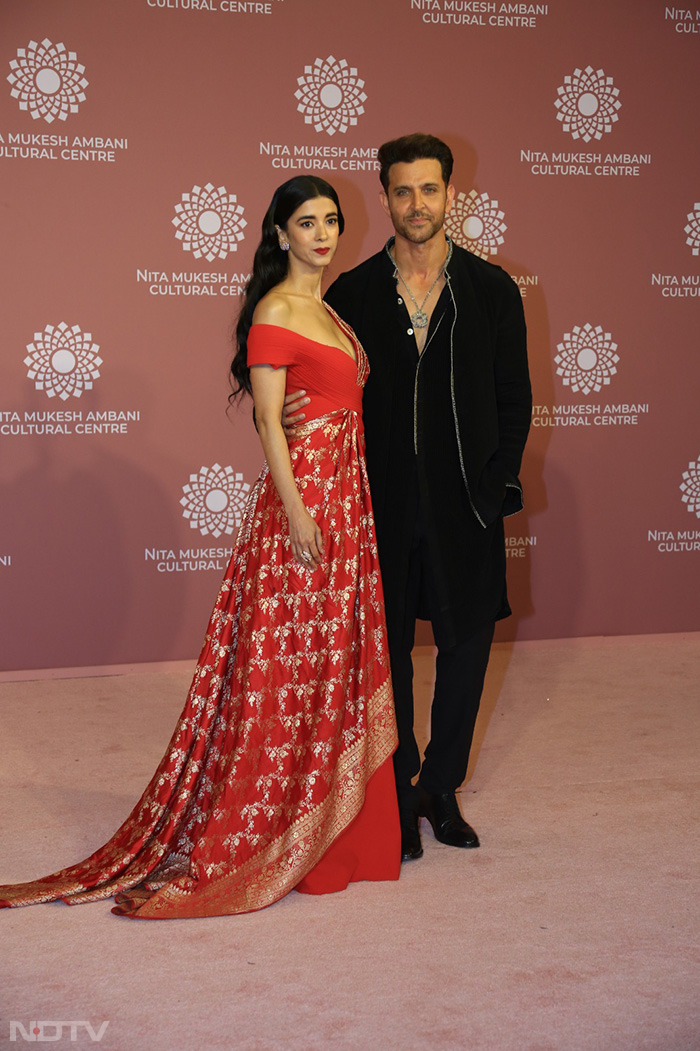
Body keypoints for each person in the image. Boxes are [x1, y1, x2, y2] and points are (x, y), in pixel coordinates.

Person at [0, 176, 400, 918]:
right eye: (306, 221)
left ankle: (332, 830)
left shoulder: (329, 309)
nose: (322, 233)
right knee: (287, 667)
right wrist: (297, 511)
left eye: (332, 220)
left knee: (332, 660)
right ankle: (272, 826)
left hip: (347, 500)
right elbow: (269, 424)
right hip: (306, 504)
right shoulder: (278, 309)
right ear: (279, 233)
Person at [283, 135, 532, 861]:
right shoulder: (352, 292)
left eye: (429, 189)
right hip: (379, 505)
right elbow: (310, 377)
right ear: (385, 197)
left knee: (465, 651)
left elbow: (514, 400)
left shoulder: (491, 291)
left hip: (468, 509)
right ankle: (393, 792)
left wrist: (494, 489)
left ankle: (441, 789)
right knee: (385, 656)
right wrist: (293, 409)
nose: (416, 204)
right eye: (402, 191)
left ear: (451, 194)